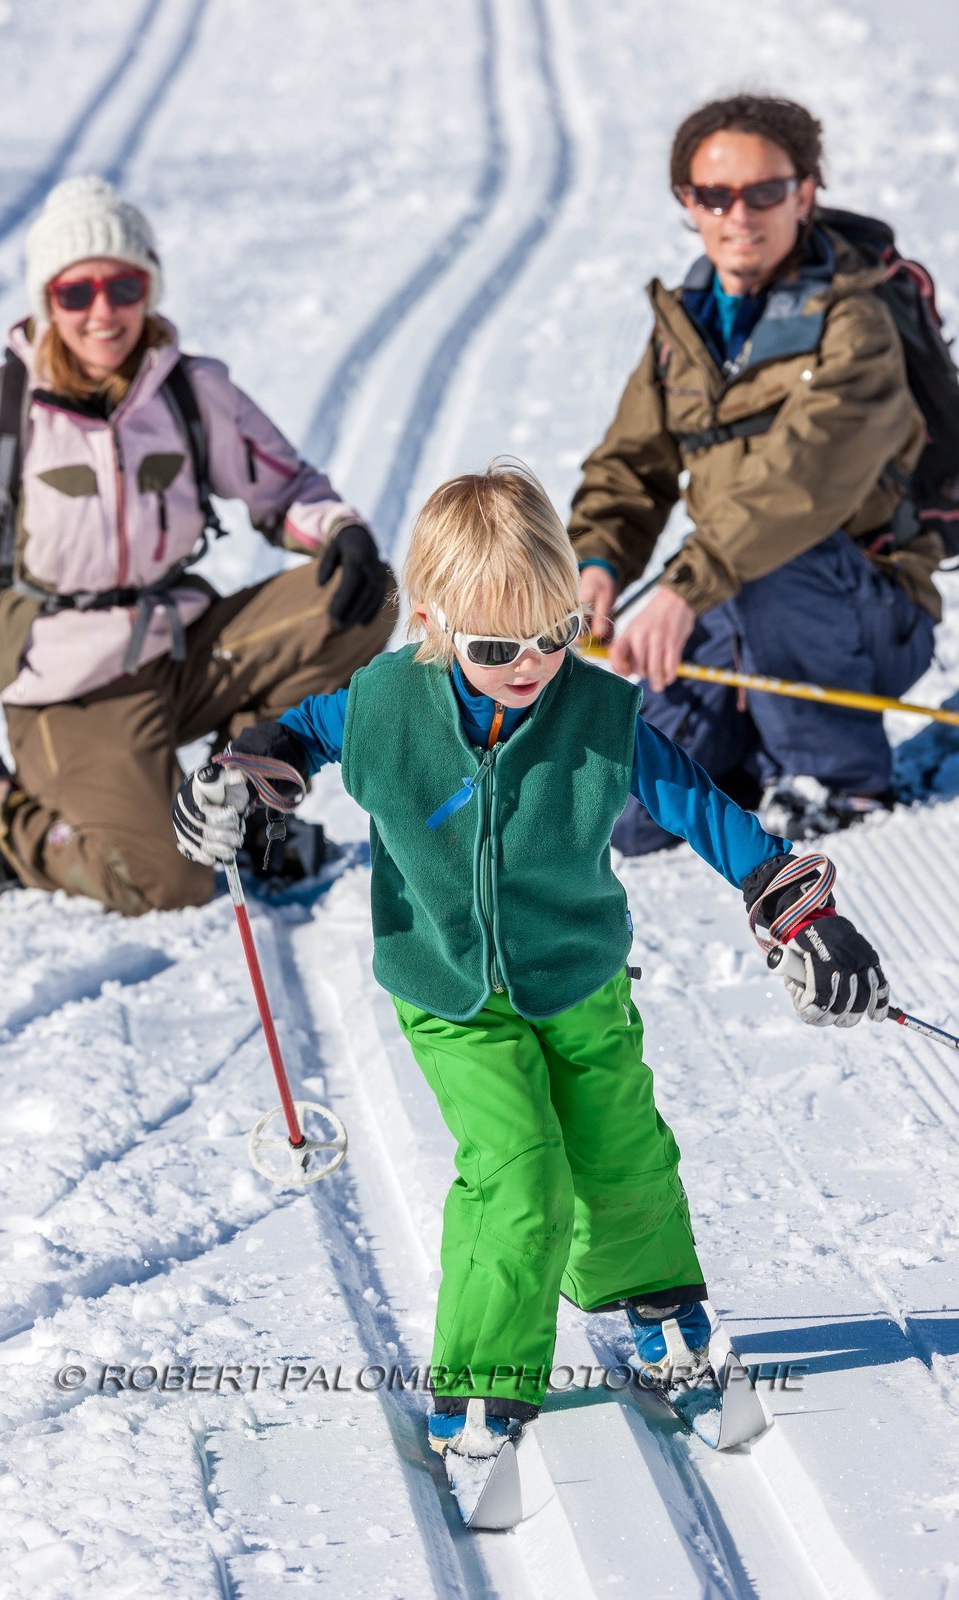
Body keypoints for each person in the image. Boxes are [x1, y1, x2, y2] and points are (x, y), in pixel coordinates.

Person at [171, 461, 888, 1454]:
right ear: (433, 624)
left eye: (555, 634)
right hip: (449, 993)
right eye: (496, 646)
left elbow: (703, 809)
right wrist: (240, 777)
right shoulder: (385, 703)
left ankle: (655, 1303)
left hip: (579, 978)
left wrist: (800, 913)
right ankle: (480, 1376)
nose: (531, 663)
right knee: (518, 1175)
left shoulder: (594, 710)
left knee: (623, 1152)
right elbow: (291, 737)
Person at [0, 175, 394, 914]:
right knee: (168, 882)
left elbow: (287, 487)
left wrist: (340, 531)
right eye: (76, 293)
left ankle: (242, 795)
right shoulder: (2, 409)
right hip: (69, 686)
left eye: (122, 287)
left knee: (367, 596)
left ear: (148, 289)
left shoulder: (190, 391)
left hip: (178, 644)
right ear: (46, 301)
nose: (102, 312)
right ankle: (2, 817)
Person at [570, 94, 941, 854]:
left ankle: (837, 777)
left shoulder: (855, 321)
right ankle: (759, 751)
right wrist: (595, 564)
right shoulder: (686, 328)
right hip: (730, 601)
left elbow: (798, 486)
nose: (739, 215)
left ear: (803, 195)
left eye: (764, 192)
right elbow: (630, 467)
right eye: (715, 195)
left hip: (863, 607)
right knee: (627, 817)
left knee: (771, 552)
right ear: (688, 203)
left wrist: (684, 589)